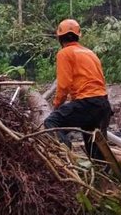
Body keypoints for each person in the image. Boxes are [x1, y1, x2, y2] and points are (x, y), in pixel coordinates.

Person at [44, 19, 112, 161]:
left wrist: (57, 106)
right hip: (103, 105)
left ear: (60, 37)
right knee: (97, 154)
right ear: (78, 36)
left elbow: (63, 86)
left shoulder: (65, 53)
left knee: (52, 123)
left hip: (87, 103)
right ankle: (106, 179)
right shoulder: (89, 53)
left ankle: (65, 158)